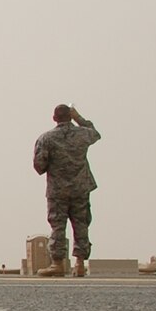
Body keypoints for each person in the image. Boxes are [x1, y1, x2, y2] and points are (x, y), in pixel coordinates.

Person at [32, 105, 101, 277]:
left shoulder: (46, 138)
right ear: (70, 117)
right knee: (81, 224)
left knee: (57, 225)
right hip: (81, 186)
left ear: (54, 118)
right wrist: (78, 117)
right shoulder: (82, 134)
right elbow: (95, 132)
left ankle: (57, 264)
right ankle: (79, 263)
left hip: (58, 189)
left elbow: (39, 166)